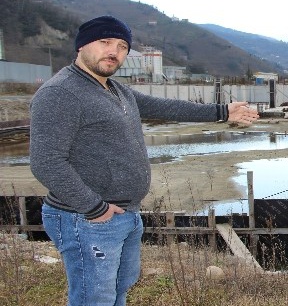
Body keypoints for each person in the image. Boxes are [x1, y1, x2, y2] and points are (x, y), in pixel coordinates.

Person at [29, 15, 259, 306]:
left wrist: (222, 111)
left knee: (118, 291)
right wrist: (93, 207)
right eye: (105, 42)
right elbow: (46, 161)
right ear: (82, 45)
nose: (114, 51)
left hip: (122, 214)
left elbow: (167, 107)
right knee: (94, 298)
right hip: (86, 218)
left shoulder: (114, 89)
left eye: (122, 46)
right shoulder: (60, 93)